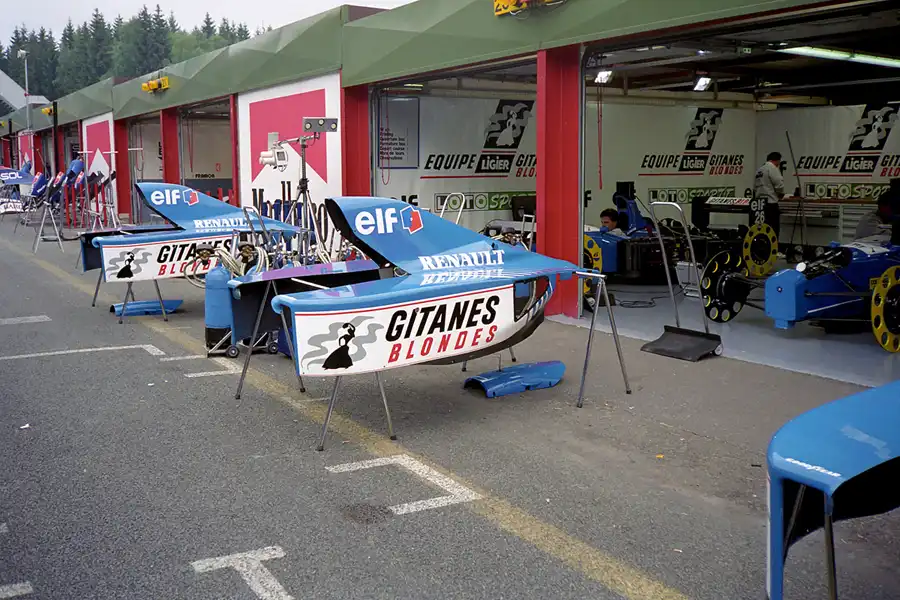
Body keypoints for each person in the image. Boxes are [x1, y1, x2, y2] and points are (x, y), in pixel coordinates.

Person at [754, 151, 785, 240]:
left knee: (761, 228)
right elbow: (779, 184)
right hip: (771, 204)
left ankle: (763, 249)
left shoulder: (760, 170)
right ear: (777, 161)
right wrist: (780, 194)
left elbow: (755, 187)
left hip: (759, 204)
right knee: (773, 228)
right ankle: (773, 249)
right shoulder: (772, 168)